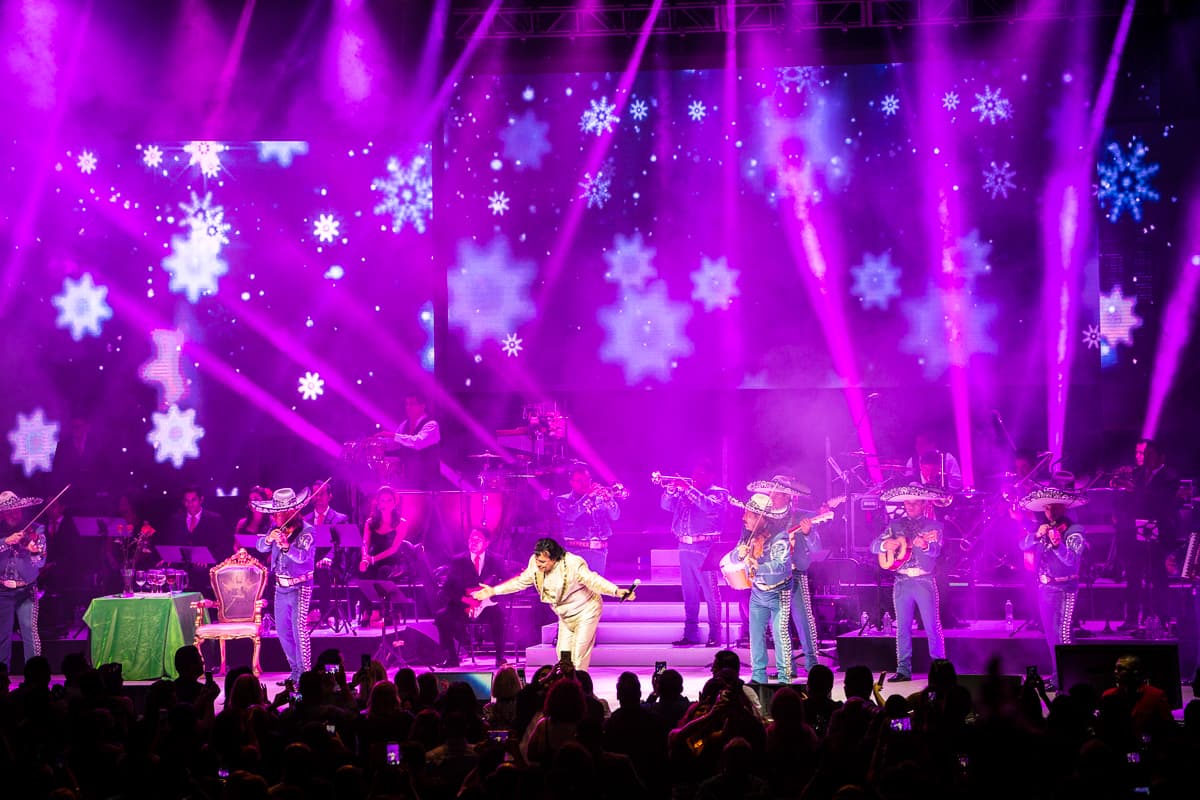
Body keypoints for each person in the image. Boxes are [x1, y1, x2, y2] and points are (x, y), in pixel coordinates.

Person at [471, 537, 634, 670]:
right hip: (565, 615)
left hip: (586, 611)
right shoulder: (535, 564)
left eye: (543, 561)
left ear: (554, 559)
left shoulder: (573, 564)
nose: (539, 564)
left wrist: (616, 591)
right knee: (563, 654)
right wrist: (493, 591)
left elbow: (593, 580)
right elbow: (520, 582)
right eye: (537, 560)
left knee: (579, 655)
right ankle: (565, 689)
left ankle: (580, 691)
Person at [870, 483, 951, 681]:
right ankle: (903, 669)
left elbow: (936, 550)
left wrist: (924, 545)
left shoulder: (934, 527)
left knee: (932, 626)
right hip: (901, 581)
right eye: (907, 502)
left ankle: (939, 668)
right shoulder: (894, 525)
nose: (910, 506)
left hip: (924, 580)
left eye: (915, 503)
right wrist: (883, 544)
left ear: (924, 504)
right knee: (902, 628)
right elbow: (873, 546)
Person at [1019, 487, 1087, 682]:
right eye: (1047, 509)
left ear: (1064, 508)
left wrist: (1058, 545)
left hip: (1065, 588)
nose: (1051, 513)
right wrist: (1037, 536)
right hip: (1045, 588)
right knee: (1051, 636)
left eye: (1055, 508)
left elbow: (1072, 561)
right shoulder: (1043, 528)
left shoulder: (1075, 531)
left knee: (1063, 635)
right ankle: (1059, 676)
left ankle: (1071, 679)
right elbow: (1022, 545)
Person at [659, 461, 727, 647]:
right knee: (689, 593)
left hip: (706, 548)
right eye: (694, 473)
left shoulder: (718, 493)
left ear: (711, 476)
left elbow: (709, 507)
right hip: (684, 547)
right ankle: (690, 634)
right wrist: (670, 491)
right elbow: (666, 505)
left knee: (711, 593)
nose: (696, 477)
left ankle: (715, 634)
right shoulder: (685, 493)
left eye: (701, 474)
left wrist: (688, 488)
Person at [1117, 438, 1182, 632]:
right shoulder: (1138, 474)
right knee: (1133, 574)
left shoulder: (1170, 475)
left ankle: (1161, 618)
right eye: (1144, 455)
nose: (1145, 459)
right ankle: (1131, 619)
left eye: (1149, 455)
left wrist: (1134, 490)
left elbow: (1162, 501)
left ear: (1161, 457)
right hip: (1136, 530)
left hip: (1160, 532)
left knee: (1158, 576)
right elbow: (1130, 501)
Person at [254, 487, 316, 684]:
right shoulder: (275, 529)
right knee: (282, 631)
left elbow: (304, 558)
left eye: (278, 513)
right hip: (281, 587)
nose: (274, 516)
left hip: (300, 586)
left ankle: (305, 677)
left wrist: (287, 547)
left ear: (291, 511)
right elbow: (260, 546)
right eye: (274, 513)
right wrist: (268, 539)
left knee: (299, 631)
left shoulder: (307, 531)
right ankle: (295, 671)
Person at [732, 492, 793, 685]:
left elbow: (781, 567)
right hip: (758, 592)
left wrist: (759, 568)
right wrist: (738, 554)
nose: (743, 518)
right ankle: (758, 675)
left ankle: (784, 677)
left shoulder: (779, 537)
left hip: (778, 592)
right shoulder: (747, 535)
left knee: (779, 634)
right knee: (756, 634)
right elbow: (734, 557)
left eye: (748, 514)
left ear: (760, 517)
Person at [434, 527, 507, 667]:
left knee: (498, 615)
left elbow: (506, 582)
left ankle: (500, 657)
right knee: (441, 616)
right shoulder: (458, 560)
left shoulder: (497, 560)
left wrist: (492, 593)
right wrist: (465, 600)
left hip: (487, 606)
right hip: (463, 606)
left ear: (487, 542)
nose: (473, 542)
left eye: (477, 539)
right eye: (470, 539)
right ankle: (451, 658)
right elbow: (448, 588)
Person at [358, 485, 422, 625]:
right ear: (377, 502)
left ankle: (384, 611)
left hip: (394, 560)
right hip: (374, 557)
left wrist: (373, 559)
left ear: (395, 503)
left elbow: (394, 549)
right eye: (382, 500)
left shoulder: (401, 523)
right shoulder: (370, 522)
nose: (385, 504)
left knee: (383, 571)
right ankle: (366, 610)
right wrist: (365, 558)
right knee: (364, 571)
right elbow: (365, 543)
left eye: (388, 501)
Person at [0, 491, 47, 670]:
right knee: (2, 635)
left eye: (17, 510)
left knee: (29, 632)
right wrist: (6, 541)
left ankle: (35, 676)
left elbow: (40, 562)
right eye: (10, 511)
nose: (15, 514)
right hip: (2, 591)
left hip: (26, 589)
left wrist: (34, 551)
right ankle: (1, 678)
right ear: (2, 513)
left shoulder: (36, 529)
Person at [555, 463, 623, 577]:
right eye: (580, 481)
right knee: (577, 590)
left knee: (595, 590)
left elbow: (615, 516)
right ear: (571, 482)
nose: (585, 483)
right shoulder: (562, 500)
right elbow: (569, 516)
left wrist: (609, 500)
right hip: (575, 552)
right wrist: (588, 496)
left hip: (599, 552)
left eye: (587, 480)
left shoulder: (600, 499)